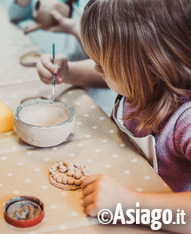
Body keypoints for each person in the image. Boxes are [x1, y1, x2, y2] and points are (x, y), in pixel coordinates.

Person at [38, 0, 191, 232]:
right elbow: (116, 75)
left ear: (147, 69)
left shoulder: (185, 121)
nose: (97, 69)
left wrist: (128, 205)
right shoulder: (143, 82)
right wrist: (69, 73)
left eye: (101, 65)